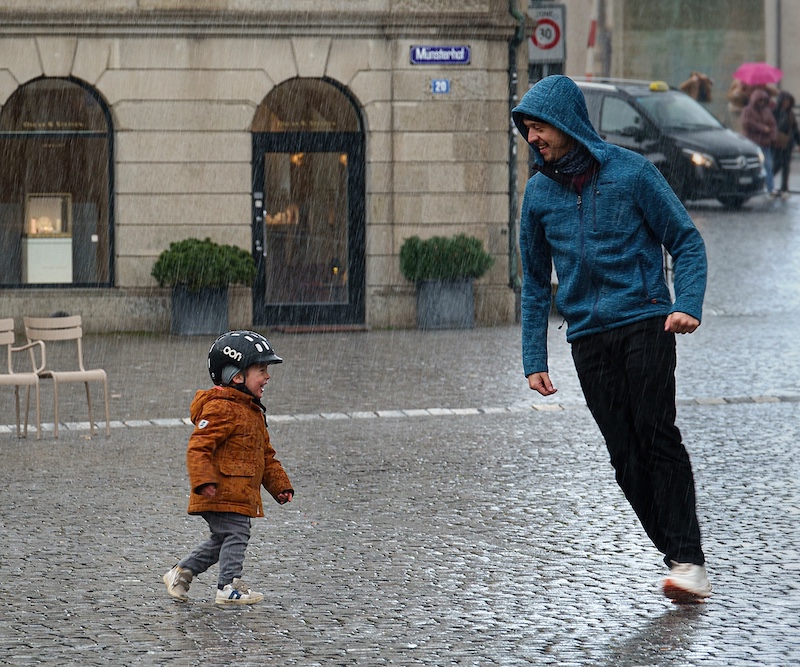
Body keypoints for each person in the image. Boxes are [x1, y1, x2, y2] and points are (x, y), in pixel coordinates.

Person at [512, 75, 712, 603]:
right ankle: (677, 553)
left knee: (655, 432)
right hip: (588, 338)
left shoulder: (633, 173)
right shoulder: (537, 194)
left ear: (567, 124)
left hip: (647, 321)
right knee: (624, 456)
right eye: (527, 129)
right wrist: (535, 356)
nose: (533, 138)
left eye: (540, 127)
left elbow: (686, 241)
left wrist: (687, 304)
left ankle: (689, 558)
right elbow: (534, 282)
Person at [163, 330, 294, 605]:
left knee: (223, 540)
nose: (267, 376)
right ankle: (228, 587)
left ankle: (181, 572)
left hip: (236, 492)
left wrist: (280, 485)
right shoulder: (221, 408)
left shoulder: (251, 410)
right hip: (218, 490)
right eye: (261, 369)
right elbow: (199, 446)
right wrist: (204, 481)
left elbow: (265, 455)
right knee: (236, 533)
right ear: (236, 375)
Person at [740, 88, 778, 196]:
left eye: (763, 101)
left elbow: (773, 125)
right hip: (753, 143)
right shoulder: (748, 110)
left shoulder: (767, 111)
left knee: (768, 166)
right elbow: (746, 123)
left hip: (765, 143)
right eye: (759, 100)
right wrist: (762, 128)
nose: (761, 103)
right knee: (753, 166)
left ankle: (770, 188)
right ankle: (752, 188)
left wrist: (771, 137)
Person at [772, 91, 800, 197]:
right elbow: (777, 127)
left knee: (786, 166)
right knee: (777, 164)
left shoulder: (790, 113)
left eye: (788, 101)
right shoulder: (776, 111)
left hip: (788, 143)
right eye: (784, 101)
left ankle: (784, 187)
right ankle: (767, 183)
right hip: (777, 143)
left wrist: (798, 142)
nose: (786, 103)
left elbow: (795, 129)